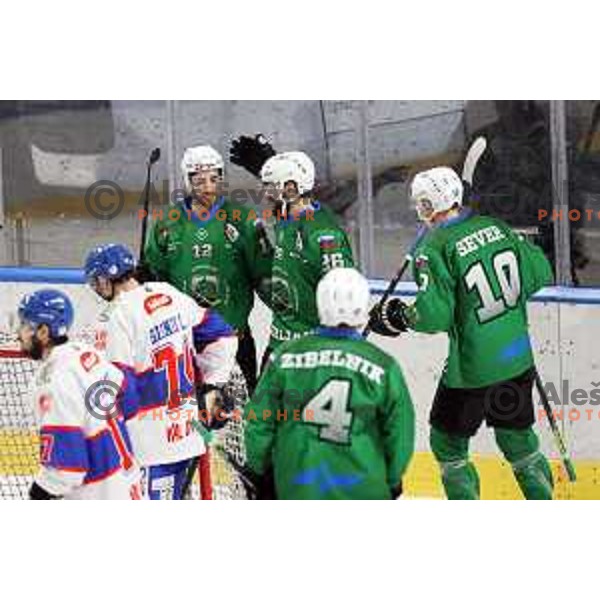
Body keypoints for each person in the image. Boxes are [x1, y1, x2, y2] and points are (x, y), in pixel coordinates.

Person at [369, 166, 555, 500]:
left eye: (421, 203)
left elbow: (434, 317)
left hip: (471, 370)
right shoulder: (496, 227)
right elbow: (540, 272)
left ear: (430, 205)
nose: (418, 210)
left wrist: (400, 316)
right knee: (518, 441)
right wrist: (537, 246)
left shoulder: (433, 248)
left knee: (448, 444)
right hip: (516, 358)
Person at [244, 267, 415, 500]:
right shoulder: (384, 366)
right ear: (362, 306)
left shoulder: (284, 357)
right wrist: (393, 481)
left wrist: (258, 470)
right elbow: (399, 433)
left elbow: (259, 421)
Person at [85, 243, 238, 500]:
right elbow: (223, 336)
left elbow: (123, 391)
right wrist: (212, 385)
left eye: (96, 282)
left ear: (104, 280)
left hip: (151, 447)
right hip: (189, 435)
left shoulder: (118, 317)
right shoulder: (169, 293)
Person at [141, 145, 272, 393]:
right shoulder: (168, 224)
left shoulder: (242, 219)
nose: (209, 186)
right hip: (184, 343)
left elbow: (263, 275)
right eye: (200, 180)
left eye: (214, 178)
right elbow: (158, 283)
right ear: (187, 182)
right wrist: (144, 280)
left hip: (235, 339)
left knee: (240, 418)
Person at [17, 288, 142, 500]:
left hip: (98, 496)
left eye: (24, 325)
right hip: (129, 486)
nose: (18, 333)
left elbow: (67, 469)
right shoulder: (88, 353)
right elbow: (130, 399)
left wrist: (39, 493)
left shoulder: (53, 380)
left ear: (43, 332)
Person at [258, 151, 355, 365]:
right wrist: (267, 161)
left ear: (291, 187)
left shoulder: (323, 236)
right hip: (277, 345)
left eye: (272, 187)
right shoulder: (286, 215)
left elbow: (342, 298)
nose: (266, 195)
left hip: (310, 352)